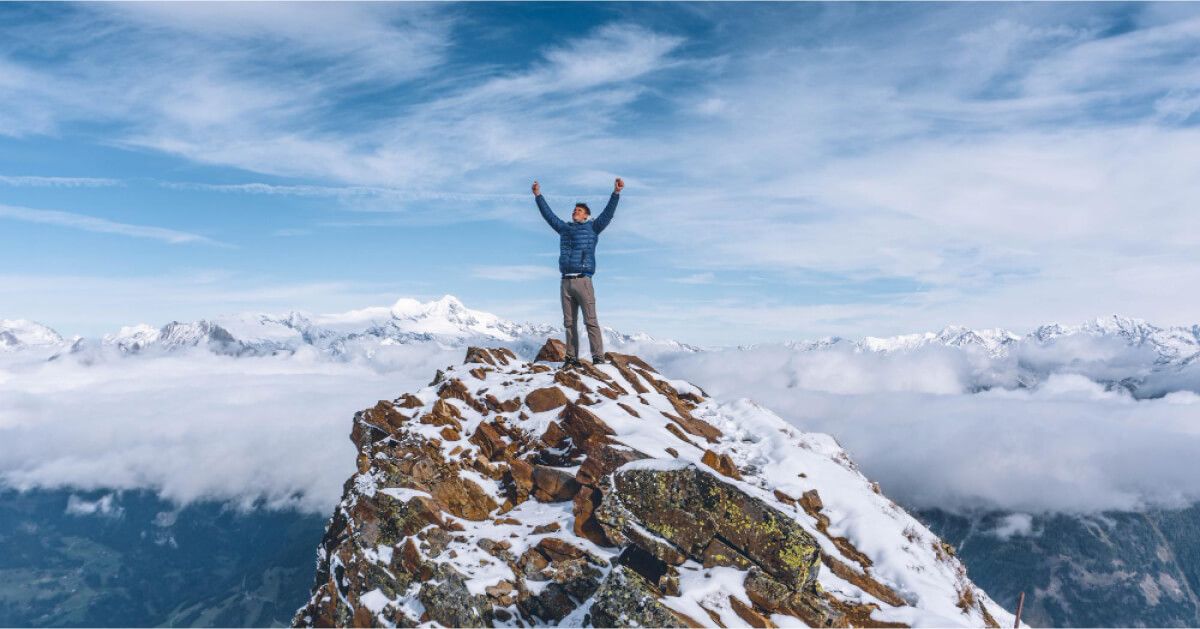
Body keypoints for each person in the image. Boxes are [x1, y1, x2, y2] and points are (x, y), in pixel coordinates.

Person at [532, 177, 623, 368]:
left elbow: (608, 214)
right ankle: (571, 358)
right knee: (569, 323)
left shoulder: (593, 228)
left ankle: (598, 357)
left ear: (586, 216)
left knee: (590, 321)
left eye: (579, 211)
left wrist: (616, 193)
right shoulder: (564, 229)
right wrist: (538, 196)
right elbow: (548, 215)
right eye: (574, 210)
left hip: (583, 280)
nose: (575, 212)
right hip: (565, 281)